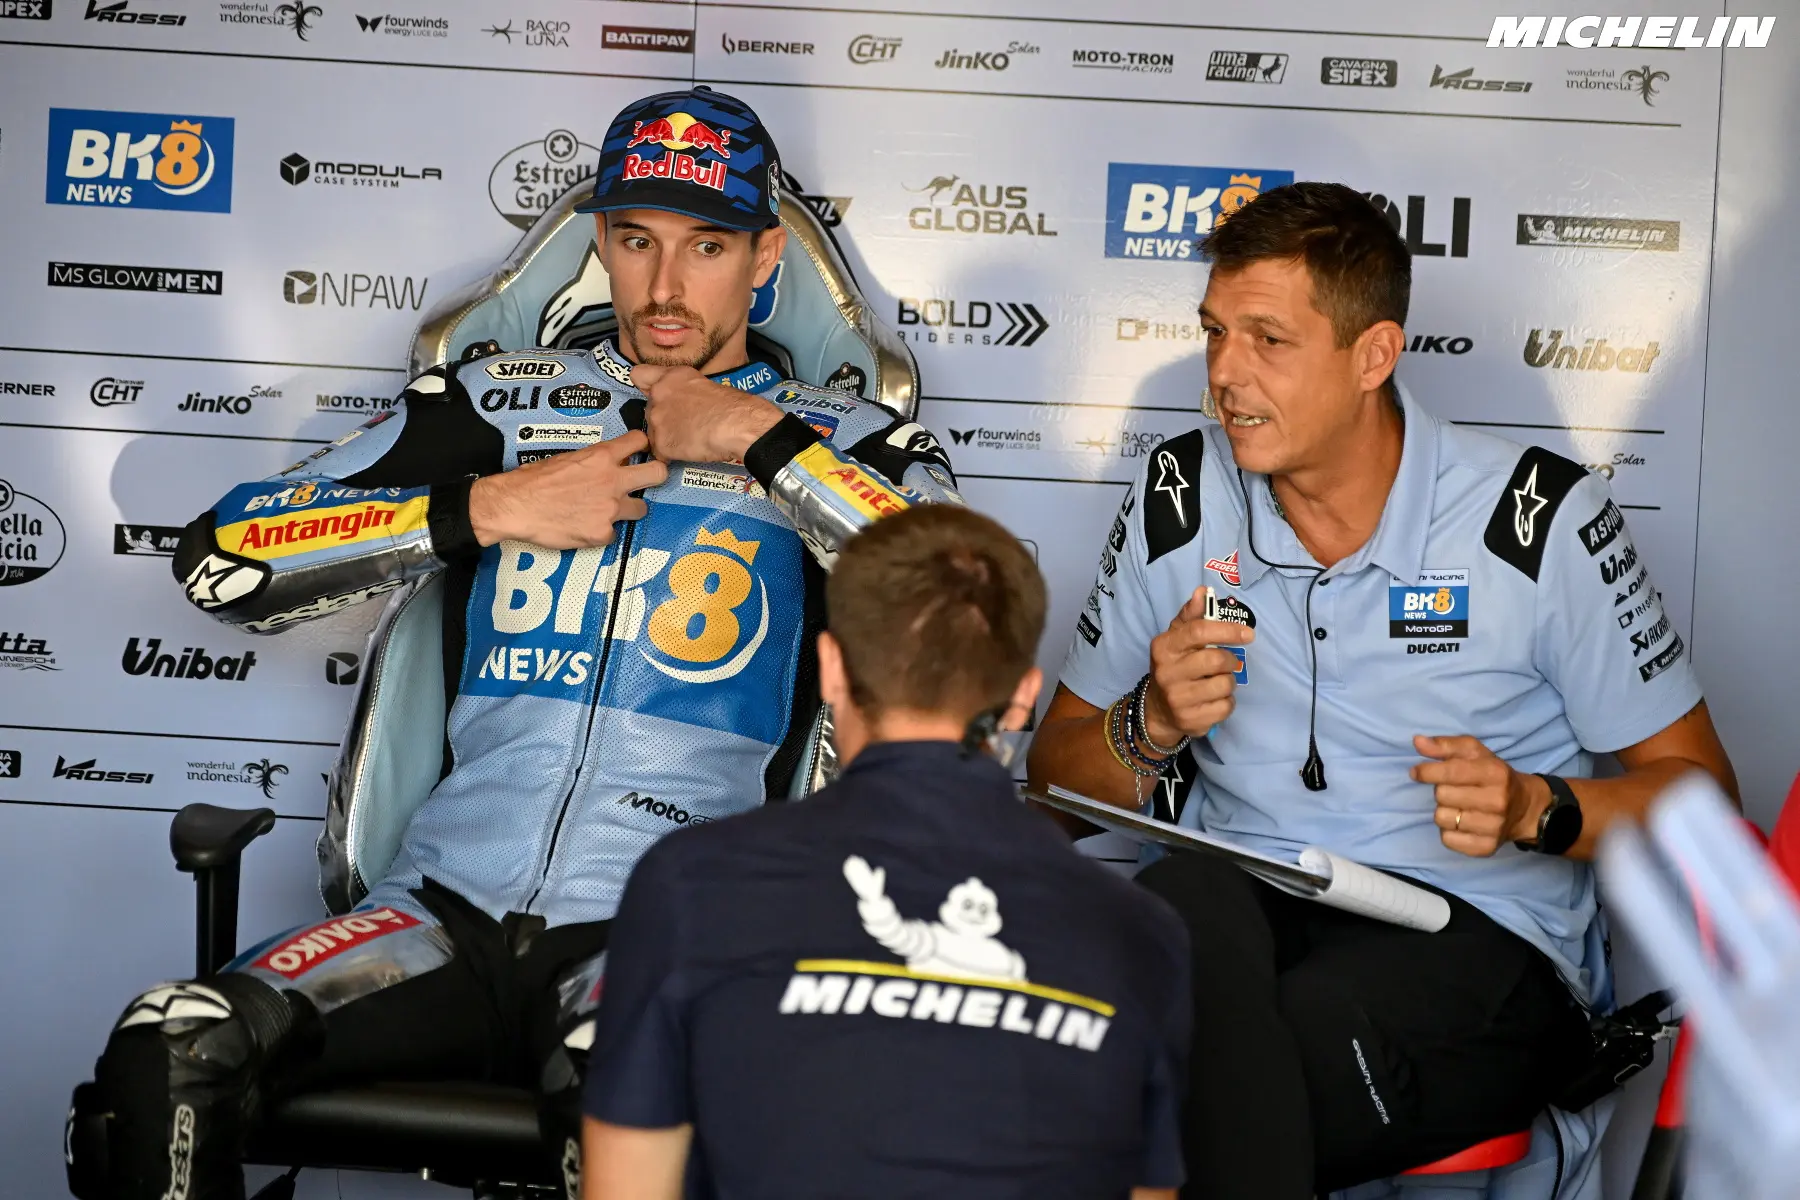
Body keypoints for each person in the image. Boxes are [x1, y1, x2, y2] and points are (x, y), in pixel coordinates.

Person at [68, 86, 961, 1200]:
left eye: (706, 246)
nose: (666, 285)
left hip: (661, 930)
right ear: (601, 243)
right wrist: (484, 508)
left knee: (631, 1078)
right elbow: (223, 556)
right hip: (433, 916)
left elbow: (961, 599)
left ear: (764, 255)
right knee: (172, 1045)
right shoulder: (494, 402)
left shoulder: (848, 437)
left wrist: (759, 439)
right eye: (635, 240)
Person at [1025, 181, 1738, 1198]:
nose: (1223, 372)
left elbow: (1705, 801)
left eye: (1269, 340)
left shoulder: (1534, 519)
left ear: (1374, 355)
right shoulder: (1181, 495)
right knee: (1182, 903)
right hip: (1242, 914)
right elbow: (1053, 785)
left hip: (1477, 939)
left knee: (1196, 1070)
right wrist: (1152, 722)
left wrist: (1539, 808)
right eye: (1215, 332)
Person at [580, 505, 1192, 1200]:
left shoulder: (691, 883)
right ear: (1024, 696)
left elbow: (625, 1189)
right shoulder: (1142, 934)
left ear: (831, 669)